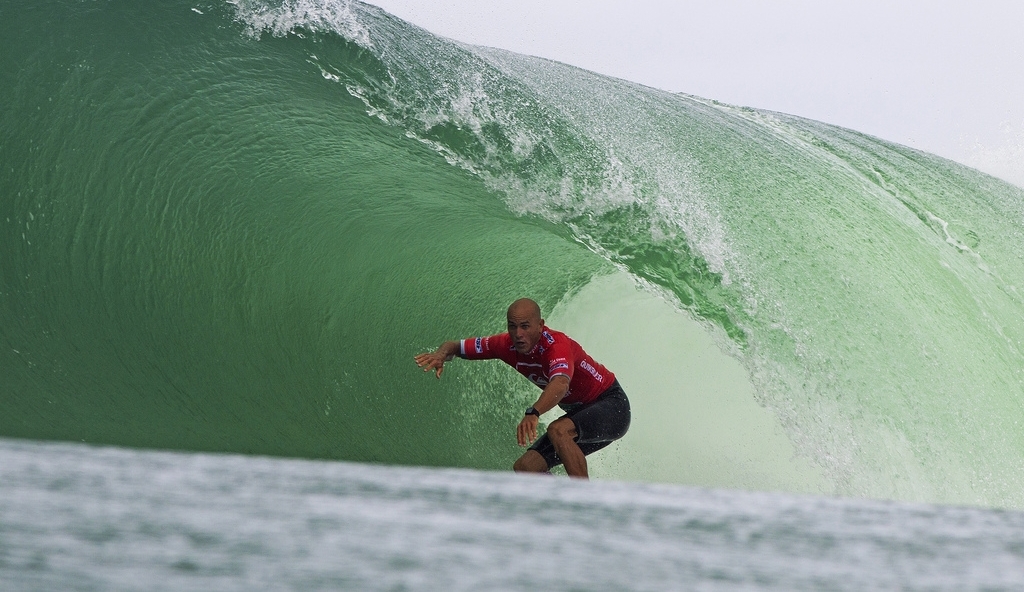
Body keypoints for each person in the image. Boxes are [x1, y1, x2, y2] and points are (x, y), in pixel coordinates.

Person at [414, 298, 630, 479]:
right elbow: (456, 346)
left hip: (611, 406)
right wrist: (441, 354)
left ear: (540, 325)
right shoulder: (504, 345)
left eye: (525, 326)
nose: (518, 334)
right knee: (526, 468)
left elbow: (561, 383)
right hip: (581, 415)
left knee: (558, 430)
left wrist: (534, 412)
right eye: (512, 326)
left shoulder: (556, 345)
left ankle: (586, 506)